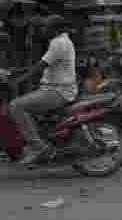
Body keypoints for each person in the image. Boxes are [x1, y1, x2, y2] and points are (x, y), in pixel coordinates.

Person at [8, 14, 77, 165]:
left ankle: (39, 148)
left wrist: (19, 80)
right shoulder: (60, 41)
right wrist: (15, 71)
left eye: (46, 27)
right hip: (55, 89)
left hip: (58, 92)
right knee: (25, 104)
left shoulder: (59, 43)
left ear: (55, 29)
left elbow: (40, 66)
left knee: (16, 106)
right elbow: (44, 63)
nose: (43, 30)